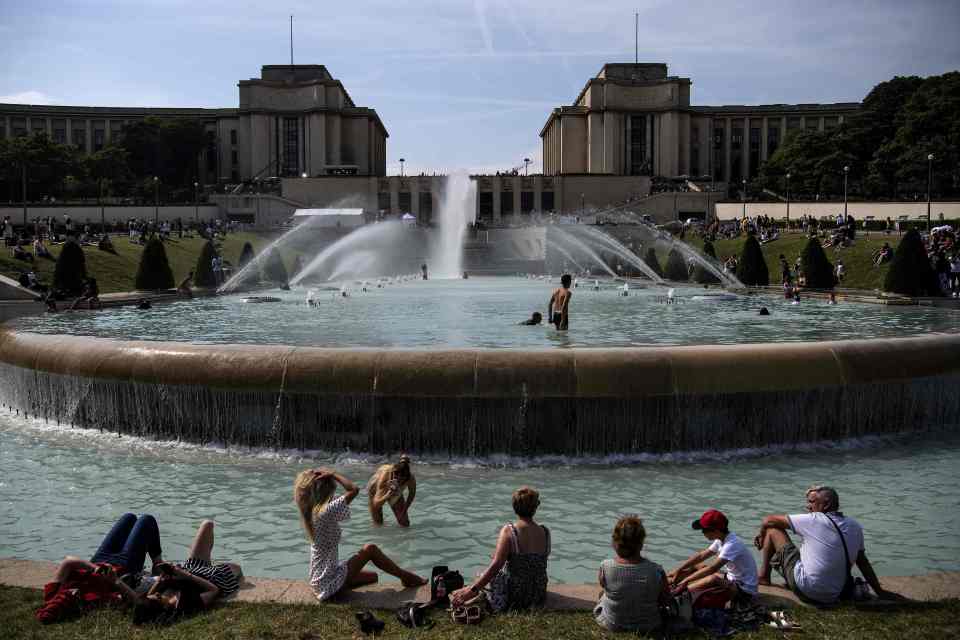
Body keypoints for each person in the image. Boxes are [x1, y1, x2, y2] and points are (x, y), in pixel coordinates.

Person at [755, 485, 904, 605]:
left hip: (808, 590)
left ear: (825, 504)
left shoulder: (814, 520)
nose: (808, 506)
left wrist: (761, 535)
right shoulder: (855, 526)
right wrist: (879, 591)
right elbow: (863, 562)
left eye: (812, 502)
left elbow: (769, 520)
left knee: (772, 530)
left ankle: (763, 577)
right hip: (837, 592)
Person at [293, 468, 425, 602]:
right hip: (327, 584)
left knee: (373, 576)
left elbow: (343, 497)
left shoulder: (313, 512)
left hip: (322, 579)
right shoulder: (326, 512)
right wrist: (333, 474)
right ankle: (407, 577)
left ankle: (342, 584)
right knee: (370, 549)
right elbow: (354, 490)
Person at [36, 513, 164, 623]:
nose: (74, 592)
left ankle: (157, 563)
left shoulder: (52, 594)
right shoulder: (91, 604)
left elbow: (68, 562)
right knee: (147, 520)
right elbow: (126, 599)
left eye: (68, 593)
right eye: (73, 597)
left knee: (129, 517)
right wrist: (115, 580)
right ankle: (157, 563)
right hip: (124, 567)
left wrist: (94, 568)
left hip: (99, 560)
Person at [450, 487, 550, 613]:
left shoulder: (509, 531)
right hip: (537, 593)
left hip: (515, 595)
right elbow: (535, 561)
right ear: (535, 508)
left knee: (483, 573)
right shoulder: (545, 532)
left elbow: (496, 566)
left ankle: (470, 590)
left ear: (515, 507)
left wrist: (472, 590)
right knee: (502, 562)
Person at [132, 520, 242, 625]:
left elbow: (150, 595)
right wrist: (183, 574)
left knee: (207, 524)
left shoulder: (154, 597)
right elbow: (213, 590)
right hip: (214, 577)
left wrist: (165, 575)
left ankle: (208, 562)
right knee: (237, 568)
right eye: (158, 597)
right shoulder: (185, 605)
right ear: (163, 609)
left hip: (193, 567)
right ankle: (210, 564)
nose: (156, 593)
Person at [593, 515, 669, 634]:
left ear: (615, 543)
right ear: (641, 544)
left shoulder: (605, 566)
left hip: (613, 624)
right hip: (649, 625)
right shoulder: (657, 570)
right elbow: (665, 600)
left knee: (602, 594)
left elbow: (603, 585)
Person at [668, 510, 758, 604]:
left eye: (704, 530)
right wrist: (678, 569)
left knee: (713, 578)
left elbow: (712, 568)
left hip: (745, 591)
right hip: (731, 580)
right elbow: (701, 556)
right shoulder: (721, 539)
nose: (703, 533)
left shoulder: (732, 544)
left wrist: (686, 581)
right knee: (699, 566)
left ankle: (677, 593)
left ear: (716, 530)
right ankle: (671, 583)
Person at [366, 455, 417, 527]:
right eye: (396, 476)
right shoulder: (385, 477)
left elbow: (412, 494)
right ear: (394, 472)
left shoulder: (410, 478)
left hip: (394, 489)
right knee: (378, 523)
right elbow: (376, 504)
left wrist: (405, 509)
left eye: (401, 479)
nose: (399, 480)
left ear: (406, 477)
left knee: (405, 522)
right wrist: (388, 495)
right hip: (375, 488)